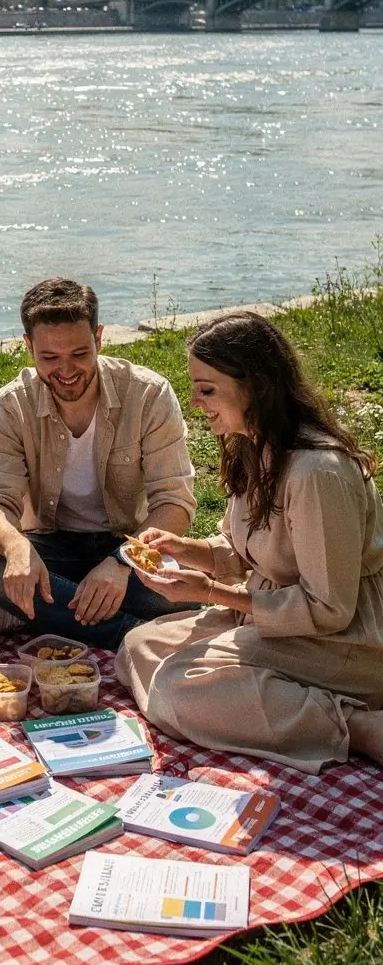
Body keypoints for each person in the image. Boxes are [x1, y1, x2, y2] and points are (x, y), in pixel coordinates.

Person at [116, 312, 383, 776]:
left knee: (176, 690)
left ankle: (357, 724)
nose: (196, 402)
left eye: (207, 389)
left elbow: (330, 608)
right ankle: (271, 694)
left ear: (254, 386)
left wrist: (208, 593)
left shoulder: (317, 472)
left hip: (348, 638)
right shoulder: (252, 443)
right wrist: (185, 548)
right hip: (278, 620)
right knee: (138, 648)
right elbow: (243, 549)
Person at [0, 278, 197, 649]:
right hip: (49, 547)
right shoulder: (10, 405)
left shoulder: (149, 394)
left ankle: (43, 611)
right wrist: (15, 547)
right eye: (50, 358)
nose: (67, 370)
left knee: (191, 587)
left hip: (128, 543)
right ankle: (132, 635)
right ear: (28, 347)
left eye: (79, 353)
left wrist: (123, 561)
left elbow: (174, 503)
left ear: (99, 338)